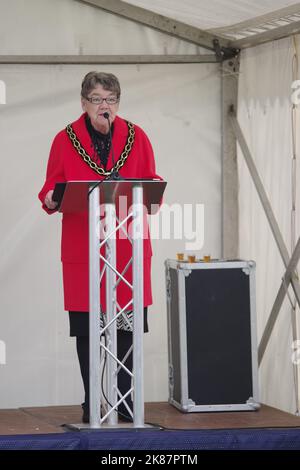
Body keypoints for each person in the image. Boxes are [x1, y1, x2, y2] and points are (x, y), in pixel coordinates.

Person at [38, 71, 162, 423]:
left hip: (126, 248)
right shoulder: (65, 140)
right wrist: (51, 197)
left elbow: (151, 182)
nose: (104, 106)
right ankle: (92, 397)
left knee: (127, 327)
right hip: (83, 245)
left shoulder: (138, 137)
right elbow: (51, 188)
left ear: (118, 103)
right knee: (88, 327)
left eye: (111, 100)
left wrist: (152, 192)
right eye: (97, 99)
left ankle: (125, 398)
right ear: (83, 103)